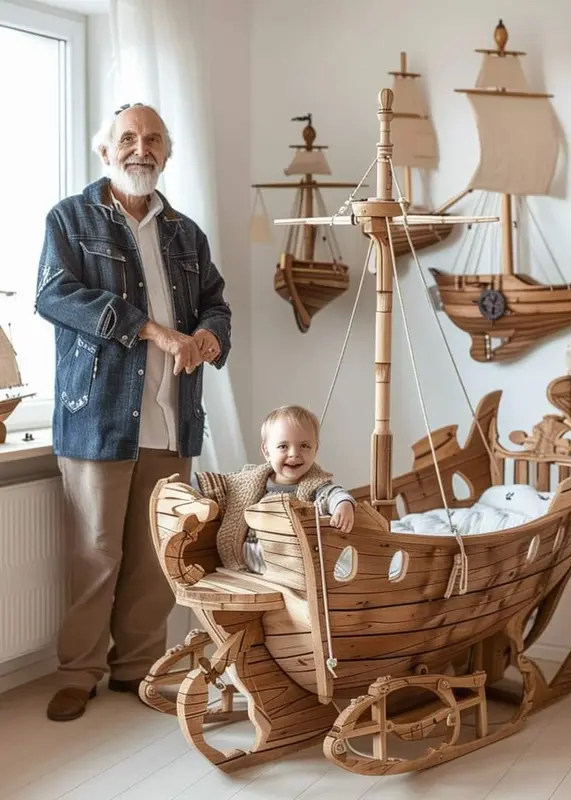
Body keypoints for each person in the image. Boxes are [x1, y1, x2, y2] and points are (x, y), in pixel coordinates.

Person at [35, 102, 232, 722]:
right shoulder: (70, 219)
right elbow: (53, 295)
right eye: (127, 138)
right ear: (105, 151)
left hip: (172, 417)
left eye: (151, 140)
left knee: (156, 553)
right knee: (98, 552)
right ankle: (79, 672)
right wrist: (153, 331)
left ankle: (138, 669)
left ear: (167, 154)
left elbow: (216, 304)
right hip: (97, 416)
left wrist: (209, 338)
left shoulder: (186, 233)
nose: (139, 149)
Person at [194, 405, 355, 573]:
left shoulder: (316, 484)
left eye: (305, 446)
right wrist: (191, 486)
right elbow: (219, 484)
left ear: (316, 450)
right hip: (253, 553)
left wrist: (343, 504)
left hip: (294, 560)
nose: (294, 453)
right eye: (283, 446)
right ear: (266, 451)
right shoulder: (249, 480)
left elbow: (333, 493)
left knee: (337, 561)